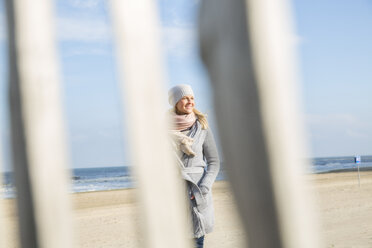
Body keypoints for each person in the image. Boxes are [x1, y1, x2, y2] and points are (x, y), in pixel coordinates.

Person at [168, 84, 220, 248]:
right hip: (172, 195)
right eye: (185, 98)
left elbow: (214, 162)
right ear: (175, 102)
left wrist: (203, 187)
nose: (190, 101)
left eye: (192, 98)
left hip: (196, 193)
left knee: (195, 241)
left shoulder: (202, 126)